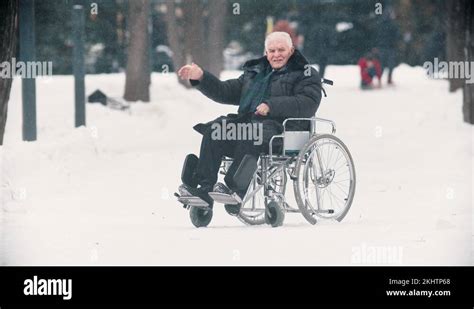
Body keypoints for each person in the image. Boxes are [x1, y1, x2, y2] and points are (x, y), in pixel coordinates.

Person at [177, 31, 322, 207]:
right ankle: (203, 189)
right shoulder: (254, 73)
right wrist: (201, 78)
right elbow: (225, 91)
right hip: (249, 125)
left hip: (281, 131)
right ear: (266, 53)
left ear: (291, 50)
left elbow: (308, 103)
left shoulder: (305, 73)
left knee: (252, 134)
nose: (276, 54)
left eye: (281, 50)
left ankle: (234, 189)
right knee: (216, 130)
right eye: (272, 50)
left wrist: (272, 106)